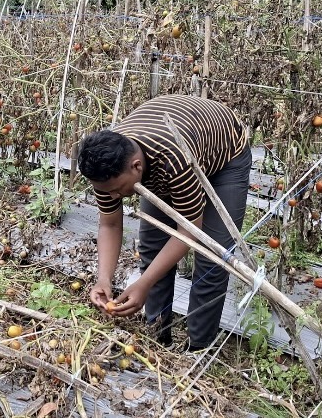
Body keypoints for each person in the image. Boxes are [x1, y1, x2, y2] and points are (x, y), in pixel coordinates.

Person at [77, 94, 251, 350]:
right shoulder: (107, 172)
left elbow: (189, 231)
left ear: (136, 167)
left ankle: (198, 347)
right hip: (176, 145)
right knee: (153, 249)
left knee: (213, 256)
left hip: (225, 156)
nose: (113, 196)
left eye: (117, 190)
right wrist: (103, 279)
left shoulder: (173, 160)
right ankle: (157, 339)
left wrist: (144, 284)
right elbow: (109, 224)